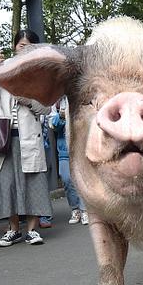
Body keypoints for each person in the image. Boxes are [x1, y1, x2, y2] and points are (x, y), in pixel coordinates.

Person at [0, 29, 53, 246]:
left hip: (29, 137)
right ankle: (13, 229)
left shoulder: (41, 73)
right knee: (7, 183)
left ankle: (32, 229)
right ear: (14, 46)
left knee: (33, 182)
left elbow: (46, 109)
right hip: (3, 137)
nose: (24, 48)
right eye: (21, 44)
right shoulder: (4, 69)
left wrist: (28, 101)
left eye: (29, 45)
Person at [51, 96, 88, 225]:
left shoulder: (80, 96)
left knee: (82, 179)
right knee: (66, 179)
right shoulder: (56, 102)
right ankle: (75, 208)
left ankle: (84, 210)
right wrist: (61, 117)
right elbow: (52, 125)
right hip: (64, 150)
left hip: (80, 147)